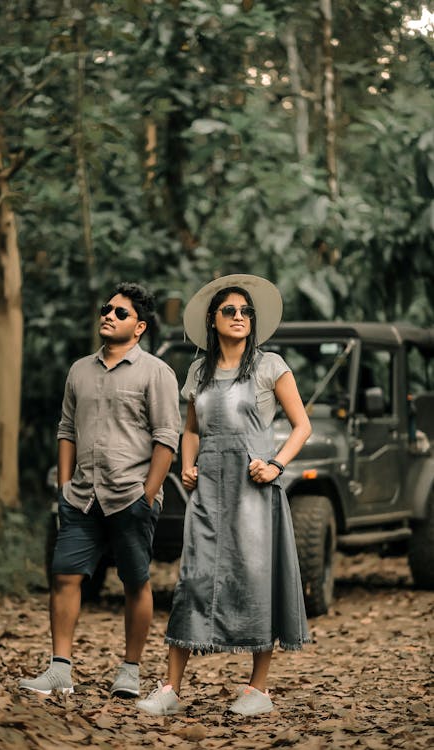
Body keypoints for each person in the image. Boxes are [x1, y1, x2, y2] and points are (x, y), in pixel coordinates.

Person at [137, 274, 312, 717]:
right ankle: (171, 689)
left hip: (254, 489)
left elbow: (301, 426)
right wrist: (187, 465)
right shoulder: (199, 370)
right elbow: (190, 428)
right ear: (213, 321)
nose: (239, 317)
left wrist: (275, 464)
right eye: (229, 311)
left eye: (245, 312)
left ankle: (258, 690)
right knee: (193, 578)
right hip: (209, 489)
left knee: (254, 578)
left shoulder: (272, 366)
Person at [20, 283, 181, 698]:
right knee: (65, 577)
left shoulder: (156, 372)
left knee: (135, 582)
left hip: (130, 495)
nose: (108, 315)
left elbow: (167, 437)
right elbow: (66, 429)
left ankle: (130, 671)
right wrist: (63, 484)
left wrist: (149, 493)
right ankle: (59, 670)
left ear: (140, 326)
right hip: (81, 496)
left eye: (120, 312)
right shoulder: (79, 370)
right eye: (106, 309)